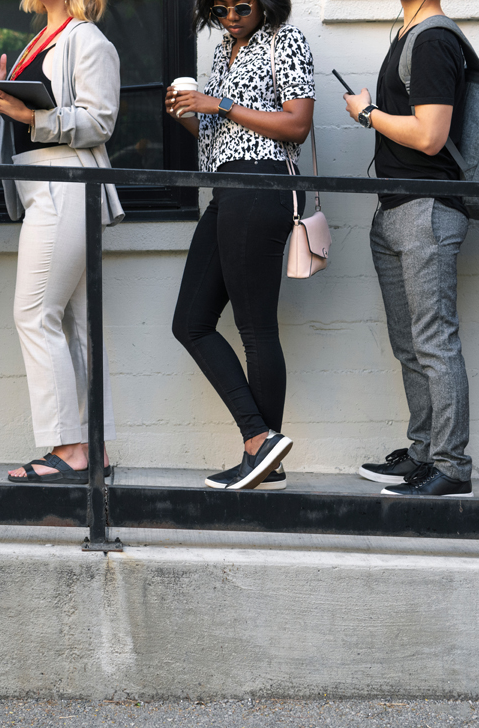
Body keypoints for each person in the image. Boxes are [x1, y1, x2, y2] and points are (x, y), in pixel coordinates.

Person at [167, 0, 314, 490]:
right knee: (189, 322)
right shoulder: (224, 52)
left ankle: (261, 450)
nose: (232, 15)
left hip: (263, 186)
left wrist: (221, 103)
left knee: (255, 328)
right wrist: (191, 112)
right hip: (227, 188)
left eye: (243, 5)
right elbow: (219, 137)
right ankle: (263, 447)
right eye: (221, 7)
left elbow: (297, 124)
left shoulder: (284, 41)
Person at [0, 0, 123, 484]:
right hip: (45, 187)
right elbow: (31, 123)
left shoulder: (87, 40)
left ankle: (68, 446)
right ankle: (90, 445)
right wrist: (0, 99)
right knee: (75, 323)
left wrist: (29, 115)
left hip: (66, 186)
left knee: (35, 313)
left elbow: (100, 122)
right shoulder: (40, 40)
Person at [344, 0, 473, 497]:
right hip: (395, 208)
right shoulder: (407, 32)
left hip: (427, 209)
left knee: (435, 341)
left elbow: (430, 135)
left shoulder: (434, 39)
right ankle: (423, 453)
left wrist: (368, 113)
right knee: (410, 344)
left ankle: (451, 467)